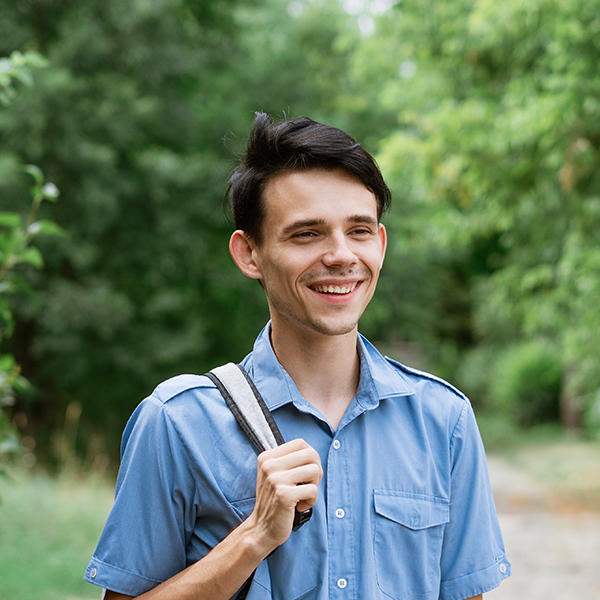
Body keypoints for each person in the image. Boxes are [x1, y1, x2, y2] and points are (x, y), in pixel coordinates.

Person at [85, 113, 511, 600]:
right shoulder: (176, 424)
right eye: (306, 234)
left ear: (382, 243)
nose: (340, 255)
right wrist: (253, 536)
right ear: (249, 254)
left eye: (359, 231)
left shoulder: (443, 419)